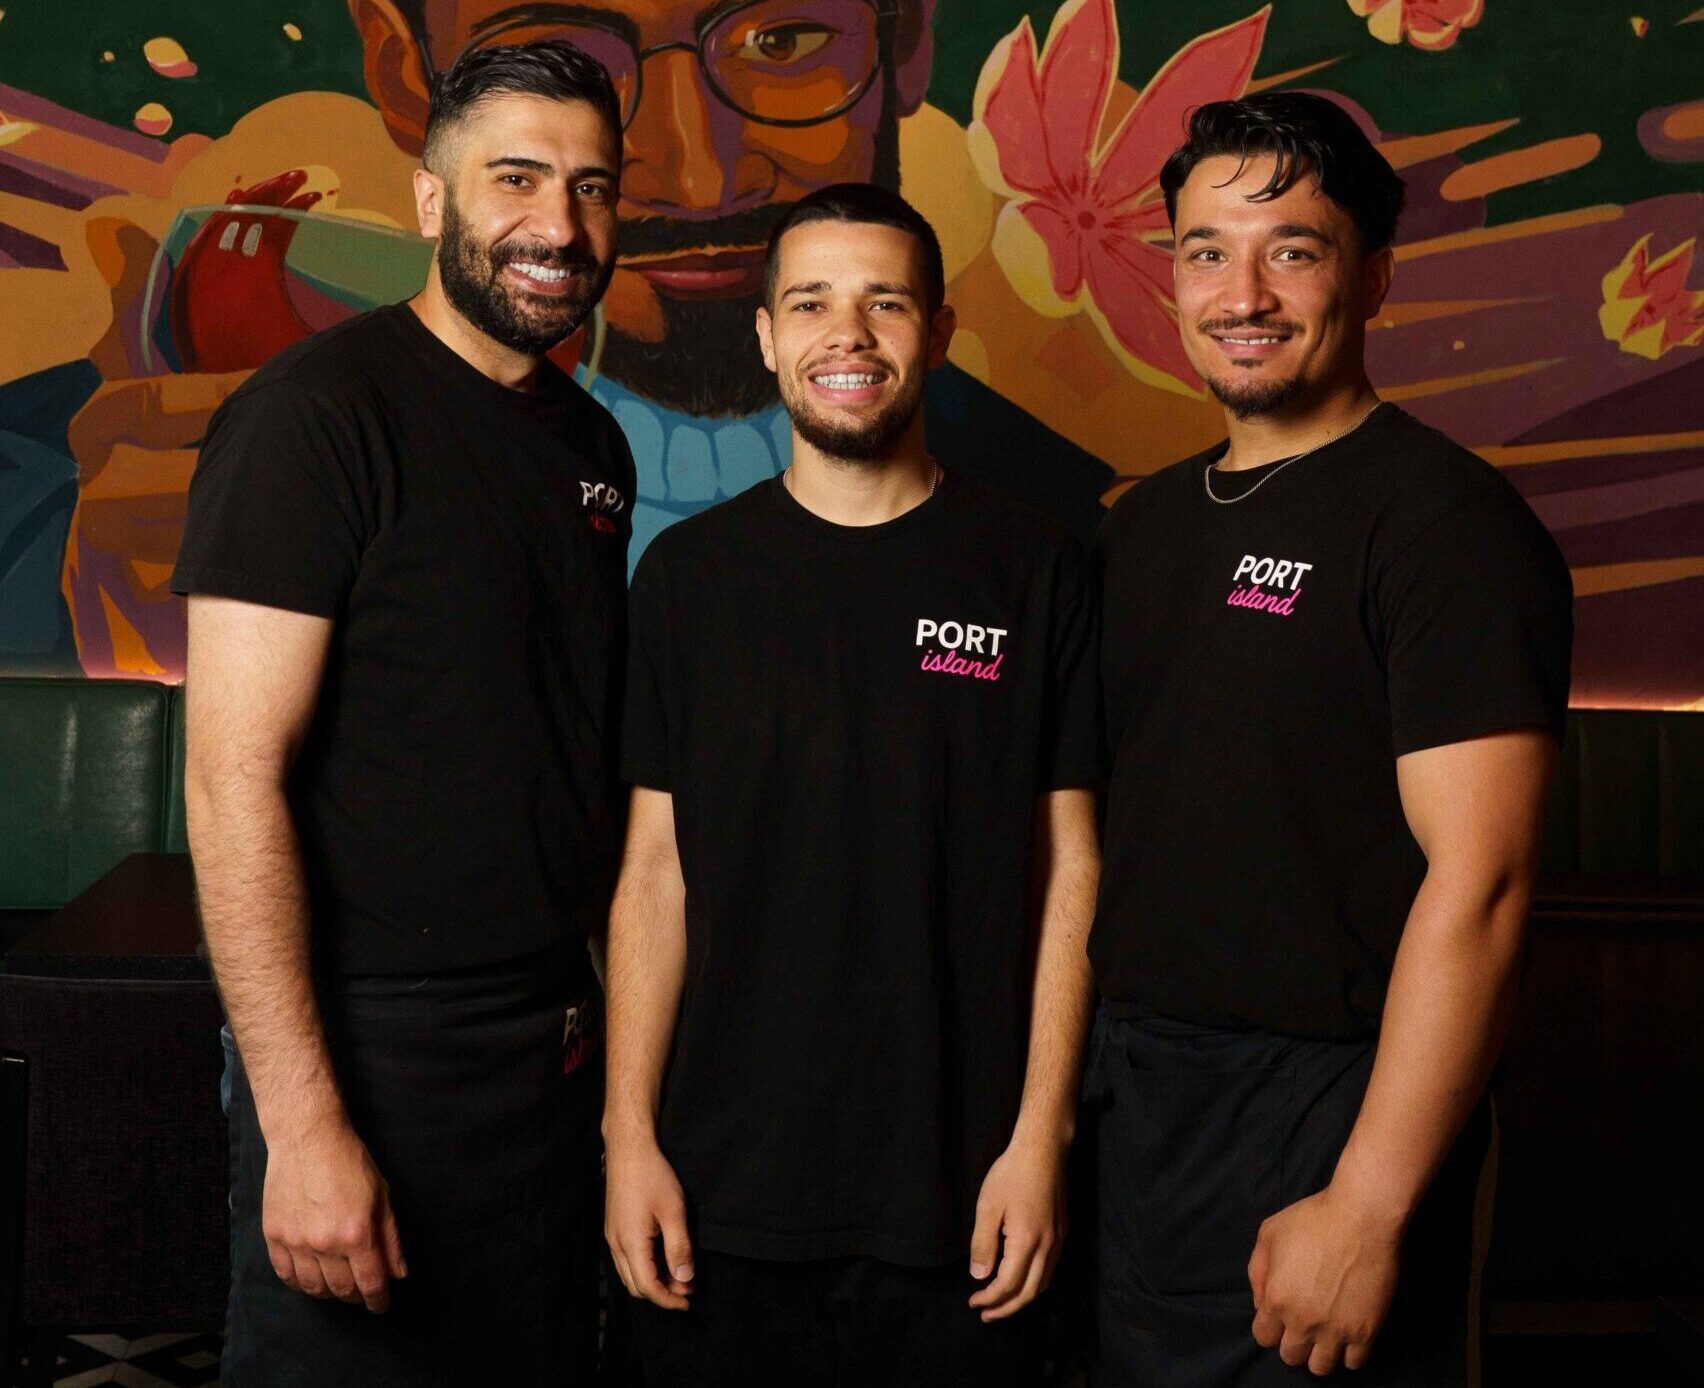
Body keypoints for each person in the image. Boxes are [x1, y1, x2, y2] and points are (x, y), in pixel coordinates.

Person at [43, 0, 1110, 678]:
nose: (698, 173)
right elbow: (235, 786)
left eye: (780, 42)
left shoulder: (1067, 533)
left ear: (907, 38)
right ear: (403, 67)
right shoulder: (293, 422)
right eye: (555, 53)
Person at [1088, 93, 1573, 1386]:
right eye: (1206, 251)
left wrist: (1366, 1202)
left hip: (1328, 1108)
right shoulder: (1138, 528)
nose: (1242, 294)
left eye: (1291, 250)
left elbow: (1485, 884)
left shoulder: (1446, 524)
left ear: (1374, 278)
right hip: (1136, 1099)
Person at [171, 41, 631, 1385]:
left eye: (592, 187)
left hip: (551, 1046)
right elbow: (231, 780)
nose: (559, 225)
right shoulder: (315, 417)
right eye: (516, 179)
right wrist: (303, 1122)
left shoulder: (591, 445)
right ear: (432, 201)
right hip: (371, 1049)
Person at [602, 182, 1102, 1384]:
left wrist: (1041, 1136)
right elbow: (655, 875)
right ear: (766, 334)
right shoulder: (687, 580)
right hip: (719, 1185)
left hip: (963, 1187)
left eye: (885, 302)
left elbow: (1070, 869)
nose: (849, 335)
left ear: (939, 330)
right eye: (812, 303)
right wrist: (628, 1133)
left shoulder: (1038, 569)